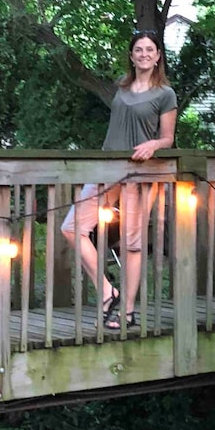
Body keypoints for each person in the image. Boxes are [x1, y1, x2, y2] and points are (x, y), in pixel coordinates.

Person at [61, 31, 177, 330]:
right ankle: (108, 292)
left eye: (149, 50)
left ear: (158, 55)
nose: (144, 54)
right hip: (106, 168)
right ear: (132, 55)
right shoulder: (121, 88)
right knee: (72, 228)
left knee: (133, 244)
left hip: (140, 173)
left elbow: (168, 138)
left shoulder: (165, 93)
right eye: (138, 49)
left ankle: (126, 312)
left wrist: (154, 145)